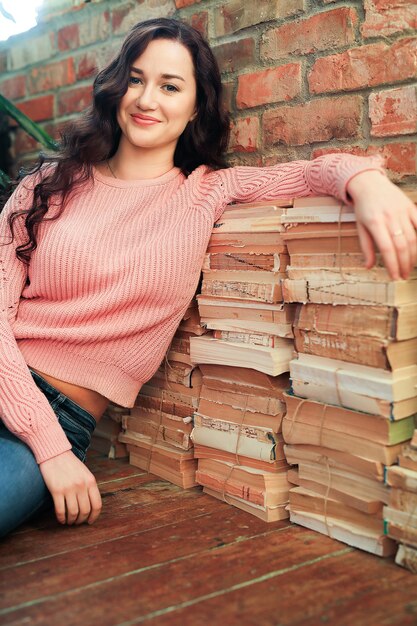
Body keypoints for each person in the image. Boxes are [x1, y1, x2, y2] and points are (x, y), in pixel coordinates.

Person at [0, 17, 416, 539]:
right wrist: (51, 448)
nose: (146, 98)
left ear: (196, 106)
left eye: (170, 86)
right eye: (135, 78)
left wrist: (367, 180)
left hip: (58, 422)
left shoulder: (206, 192)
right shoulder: (48, 185)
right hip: (22, 403)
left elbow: (312, 172)